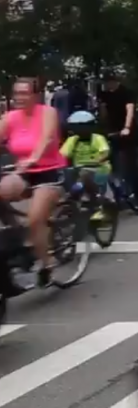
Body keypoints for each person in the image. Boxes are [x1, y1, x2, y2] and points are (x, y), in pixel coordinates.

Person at [0, 78, 67, 287]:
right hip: (23, 173)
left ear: (36, 95)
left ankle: (47, 263)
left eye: (24, 93)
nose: (19, 97)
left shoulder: (47, 112)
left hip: (48, 171)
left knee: (35, 218)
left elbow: (47, 139)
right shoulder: (10, 117)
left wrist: (33, 158)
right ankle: (17, 234)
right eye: (16, 93)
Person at [98, 72, 138, 210]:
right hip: (111, 131)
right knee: (105, 164)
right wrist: (102, 126)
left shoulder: (126, 92)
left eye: (109, 82)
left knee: (131, 167)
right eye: (105, 82)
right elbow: (103, 111)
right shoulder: (104, 94)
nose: (107, 85)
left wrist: (127, 127)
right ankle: (115, 195)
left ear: (115, 81)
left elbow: (130, 110)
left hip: (127, 132)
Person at [60, 110, 113, 219]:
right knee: (66, 174)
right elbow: (62, 154)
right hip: (78, 168)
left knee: (85, 174)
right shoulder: (72, 140)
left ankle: (95, 201)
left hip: (99, 168)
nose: (80, 130)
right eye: (76, 127)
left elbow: (105, 152)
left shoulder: (98, 138)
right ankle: (75, 202)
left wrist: (99, 159)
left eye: (83, 126)